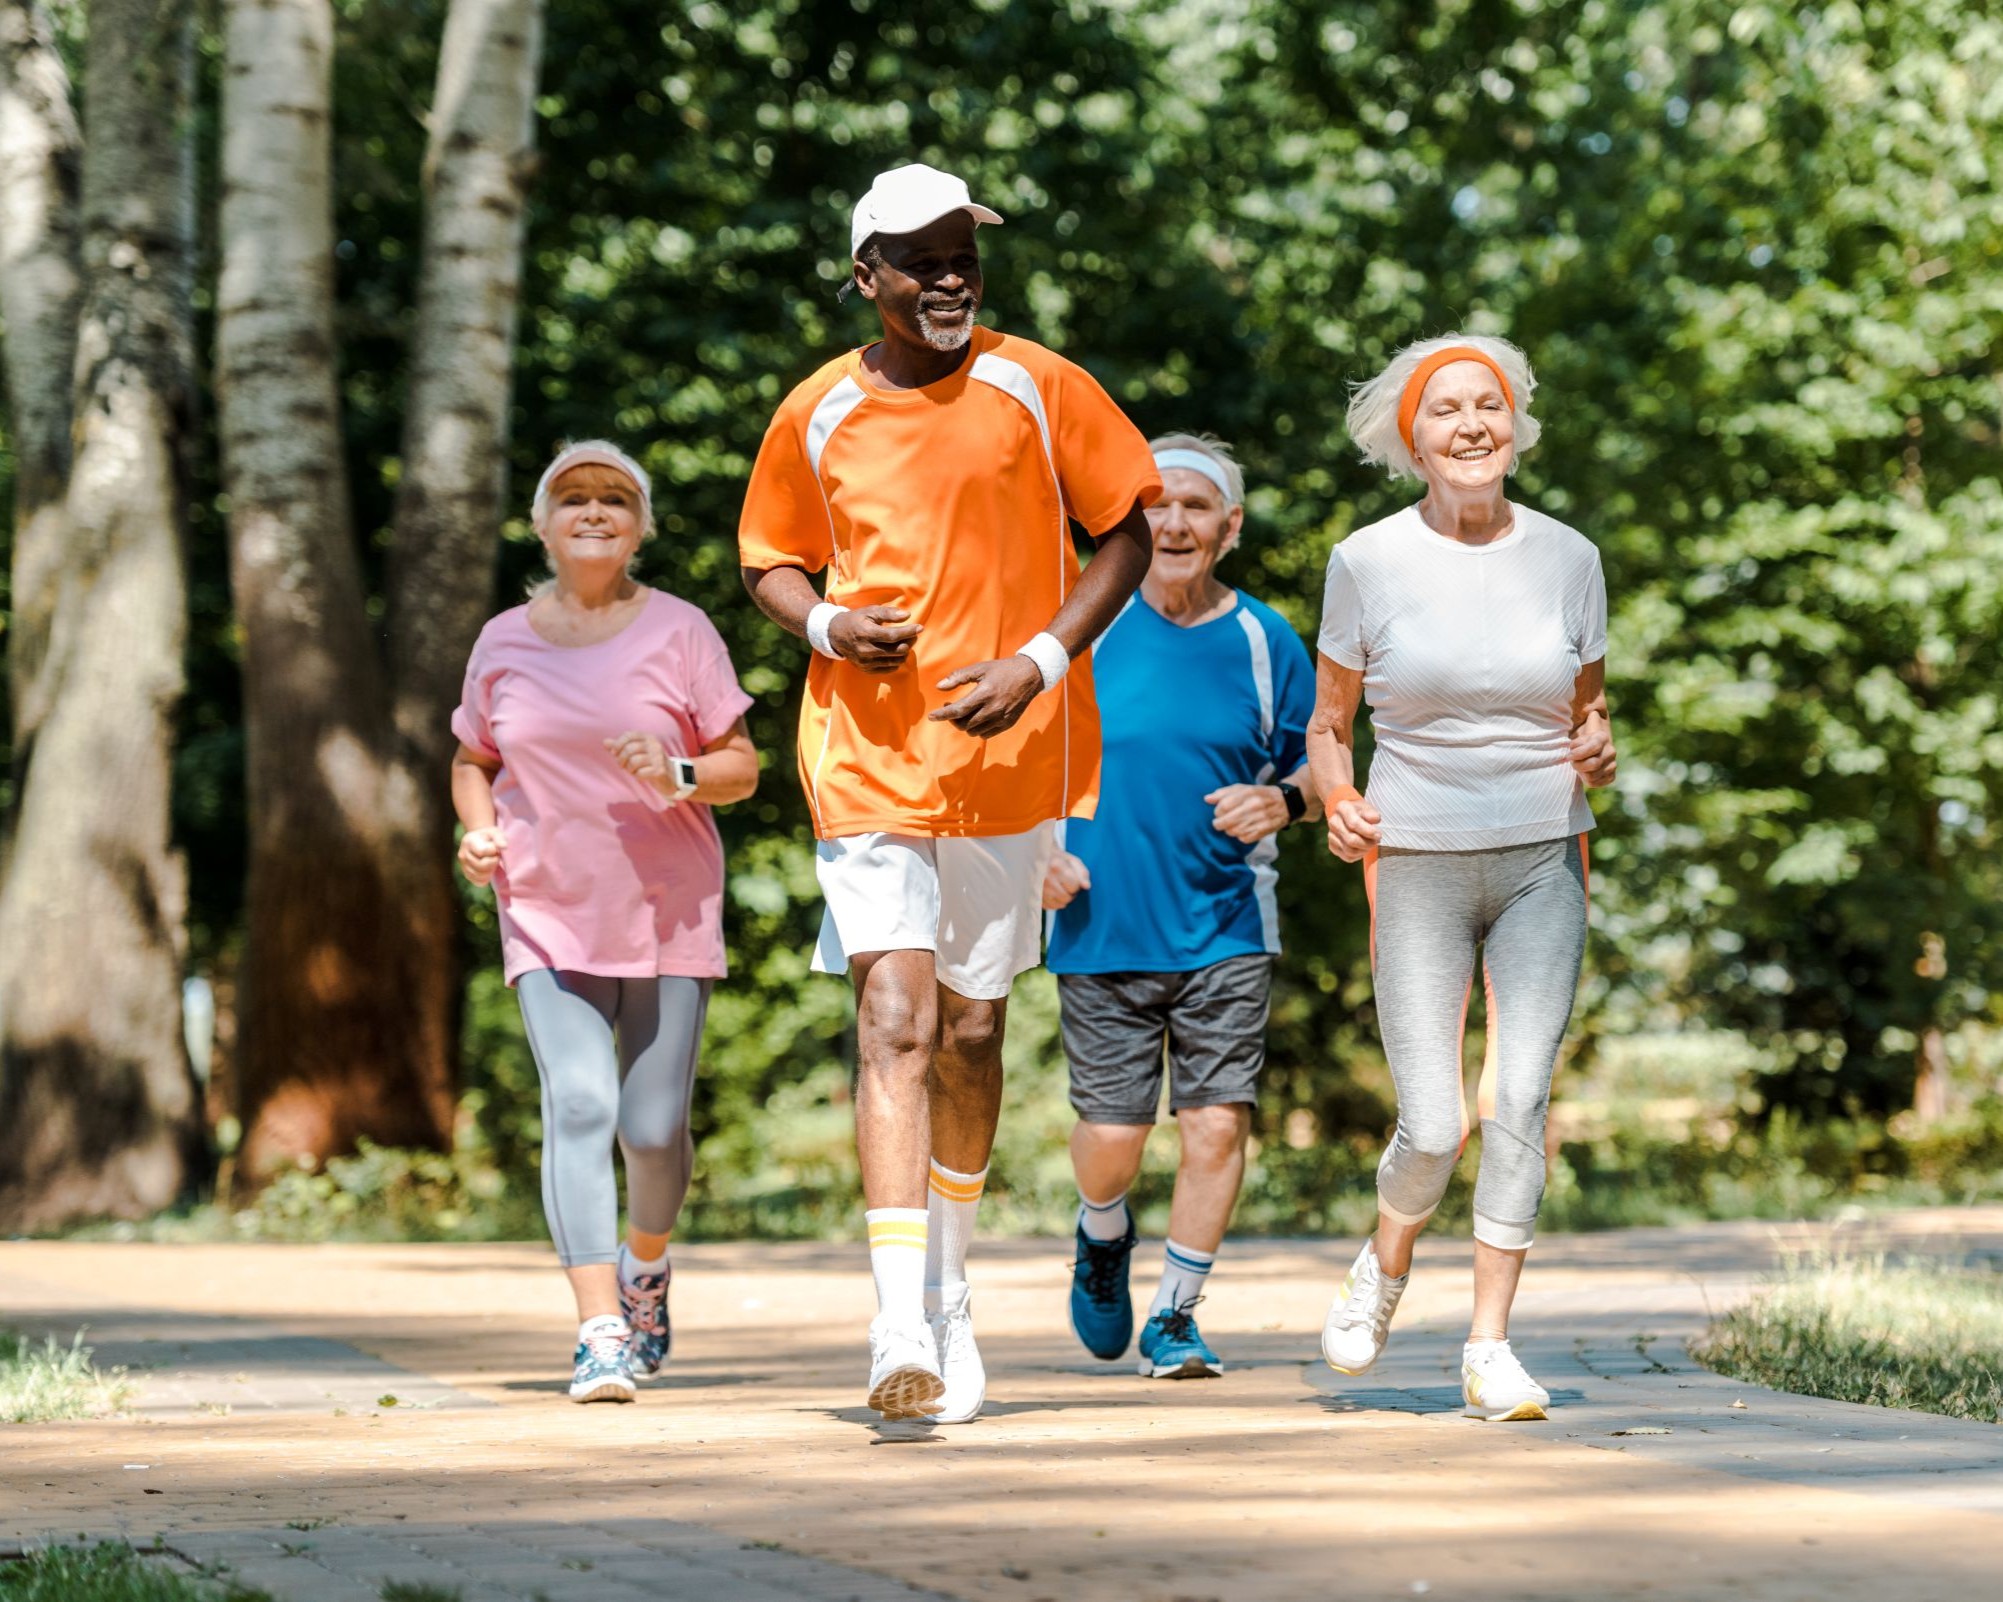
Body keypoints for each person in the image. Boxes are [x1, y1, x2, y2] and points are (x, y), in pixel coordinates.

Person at [738, 163, 1160, 1423]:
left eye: (961, 253)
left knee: (974, 1029)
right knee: (897, 1021)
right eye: (917, 258)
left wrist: (1039, 660)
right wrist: (819, 623)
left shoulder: (1039, 385)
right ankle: (894, 1322)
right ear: (865, 276)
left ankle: (955, 1289)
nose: (948, 276)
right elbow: (768, 556)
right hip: (864, 756)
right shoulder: (813, 410)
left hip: (1009, 754)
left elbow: (1126, 529)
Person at [1306, 336, 1617, 1421]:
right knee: (1433, 1123)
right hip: (1419, 856)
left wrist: (1594, 746)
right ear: (1413, 436)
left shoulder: (1569, 557)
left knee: (1519, 1100)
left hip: (1542, 852)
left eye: (1488, 405)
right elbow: (1328, 726)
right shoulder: (1366, 561)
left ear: (1515, 425)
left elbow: (1586, 709)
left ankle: (1488, 1348)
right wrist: (1337, 799)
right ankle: (1384, 1266)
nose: (1470, 424)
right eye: (1445, 410)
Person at [451, 440, 760, 1403]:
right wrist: (478, 834)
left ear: (641, 527)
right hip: (546, 909)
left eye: (615, 499)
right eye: (572, 499)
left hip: (667, 910)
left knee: (654, 1126)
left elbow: (740, 768)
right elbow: (473, 759)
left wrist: (675, 774)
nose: (594, 511)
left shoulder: (680, 631)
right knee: (581, 1107)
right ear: (541, 527)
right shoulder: (503, 638)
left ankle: (645, 1269)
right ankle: (597, 1332)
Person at [1044, 433, 1318, 1380]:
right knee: (1114, 1139)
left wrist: (1281, 799)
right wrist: (1034, 851)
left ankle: (1176, 1313)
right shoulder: (1084, 625)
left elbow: (1317, 765)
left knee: (1216, 1124)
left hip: (1226, 922)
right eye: (1154, 504)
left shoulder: (1262, 639)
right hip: (1097, 922)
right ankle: (1102, 1230)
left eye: (1196, 506)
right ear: (1128, 521)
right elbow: (1015, 749)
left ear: (1228, 528)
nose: (1173, 522)